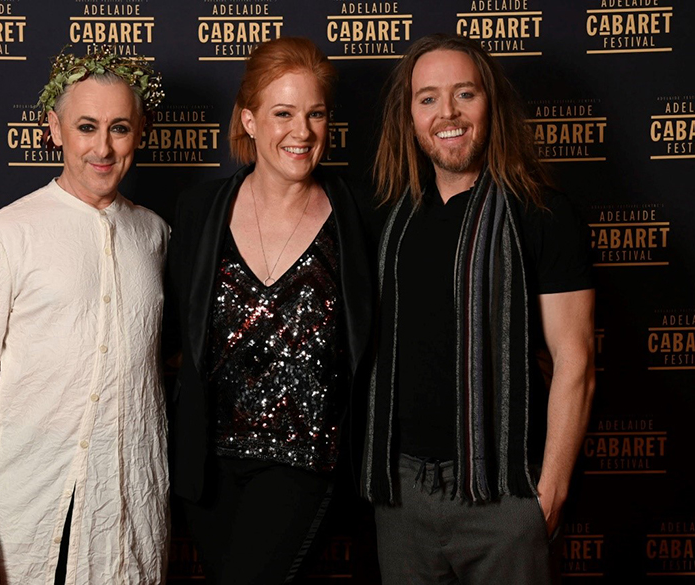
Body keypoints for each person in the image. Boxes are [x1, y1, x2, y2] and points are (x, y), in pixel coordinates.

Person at [363, 34, 596, 584]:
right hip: (401, 497)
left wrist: (550, 493)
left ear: (490, 104)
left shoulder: (542, 212)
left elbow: (576, 361)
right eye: (428, 99)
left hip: (506, 497)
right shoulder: (388, 219)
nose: (447, 113)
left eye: (464, 94)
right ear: (410, 115)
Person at [0, 49, 169, 585]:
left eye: (119, 128)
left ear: (140, 133)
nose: (103, 147)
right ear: (55, 129)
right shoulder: (4, 235)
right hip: (29, 518)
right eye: (86, 127)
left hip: (129, 519)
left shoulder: (156, 235)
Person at [167, 37, 374, 584]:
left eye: (315, 114)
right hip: (209, 470)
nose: (301, 132)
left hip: (307, 463)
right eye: (283, 113)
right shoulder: (199, 211)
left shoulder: (359, 217)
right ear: (250, 120)